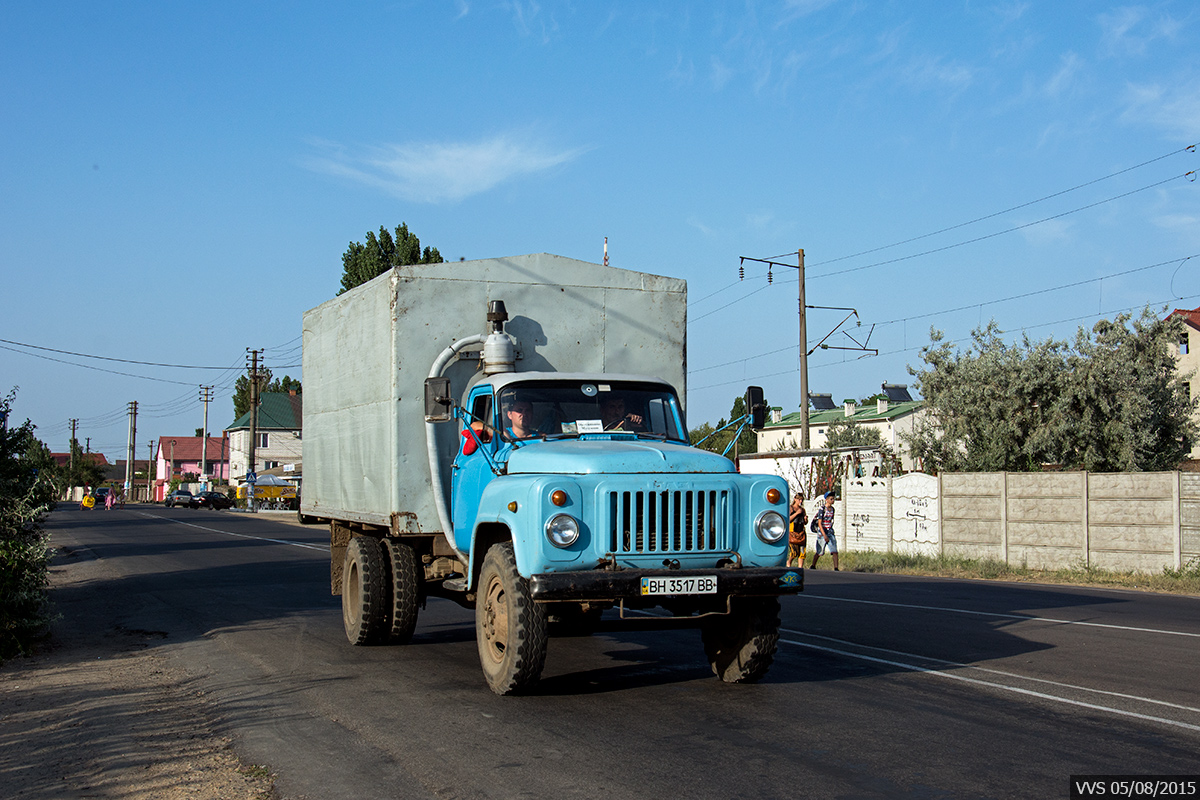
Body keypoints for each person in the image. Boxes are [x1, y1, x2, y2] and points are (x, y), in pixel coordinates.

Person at [810, 491, 839, 571]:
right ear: (826, 499)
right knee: (820, 552)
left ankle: (836, 567)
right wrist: (824, 535)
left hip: (830, 531)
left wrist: (830, 531)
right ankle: (813, 565)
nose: (833, 500)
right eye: (831, 499)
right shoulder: (822, 509)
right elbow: (820, 523)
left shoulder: (832, 509)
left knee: (834, 551)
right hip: (822, 532)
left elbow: (831, 521)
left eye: (833, 499)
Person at [787, 492, 807, 568]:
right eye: (799, 499)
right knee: (794, 552)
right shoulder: (791, 508)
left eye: (802, 500)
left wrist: (805, 519)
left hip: (801, 533)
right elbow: (788, 520)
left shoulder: (802, 510)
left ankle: (800, 567)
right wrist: (796, 513)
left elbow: (805, 523)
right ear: (795, 499)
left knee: (802, 552)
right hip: (792, 533)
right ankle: (788, 563)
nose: (800, 501)